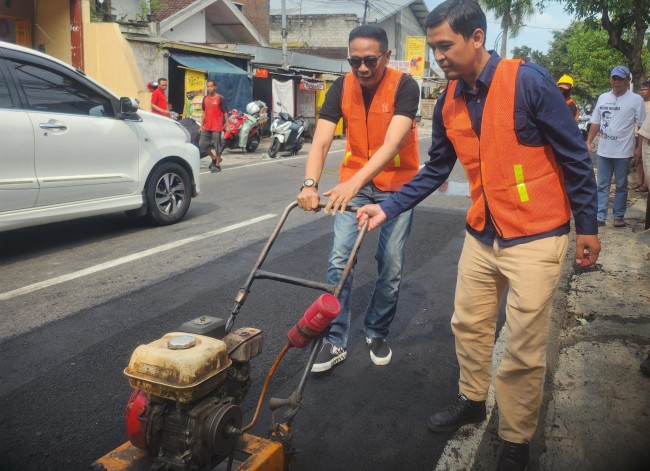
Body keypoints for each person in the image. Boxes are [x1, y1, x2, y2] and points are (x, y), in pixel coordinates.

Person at [355, 1, 601, 469]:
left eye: (445, 46)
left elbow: (573, 155)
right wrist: (386, 209)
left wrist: (587, 225)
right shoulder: (448, 99)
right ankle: (472, 399)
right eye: (433, 49)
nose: (438, 57)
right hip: (482, 234)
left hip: (536, 235)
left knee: (524, 347)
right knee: (468, 325)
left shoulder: (528, 80)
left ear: (477, 39)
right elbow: (436, 170)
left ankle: (514, 438)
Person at [296, 24, 420, 372]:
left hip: (396, 185)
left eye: (370, 60)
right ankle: (336, 340)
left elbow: (392, 143)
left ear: (386, 56)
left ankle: (376, 331)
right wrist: (310, 183)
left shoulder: (406, 86)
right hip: (355, 181)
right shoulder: (342, 85)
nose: (362, 68)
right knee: (340, 260)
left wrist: (354, 184)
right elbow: (321, 140)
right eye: (354, 61)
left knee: (391, 262)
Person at [587, 66, 646, 227]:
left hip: (624, 152)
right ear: (610, 80)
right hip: (604, 151)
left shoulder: (636, 100)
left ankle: (618, 216)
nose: (617, 82)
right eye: (614, 78)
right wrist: (588, 142)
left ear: (628, 80)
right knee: (602, 185)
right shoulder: (603, 97)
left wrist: (639, 149)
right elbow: (596, 122)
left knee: (621, 185)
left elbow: (642, 127)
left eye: (620, 79)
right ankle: (600, 216)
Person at [198, 80, 229, 173]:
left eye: (211, 86)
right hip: (207, 126)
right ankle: (214, 158)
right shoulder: (205, 99)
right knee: (202, 145)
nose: (209, 88)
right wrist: (201, 125)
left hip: (217, 126)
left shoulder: (220, 98)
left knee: (217, 146)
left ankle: (218, 165)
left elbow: (225, 112)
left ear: (215, 87)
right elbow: (204, 112)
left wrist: (228, 125)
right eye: (208, 86)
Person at [630, 81, 650, 192]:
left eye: (645, 89)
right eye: (641, 89)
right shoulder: (640, 103)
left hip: (647, 136)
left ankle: (646, 184)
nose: (643, 92)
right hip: (638, 134)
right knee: (638, 159)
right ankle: (640, 182)